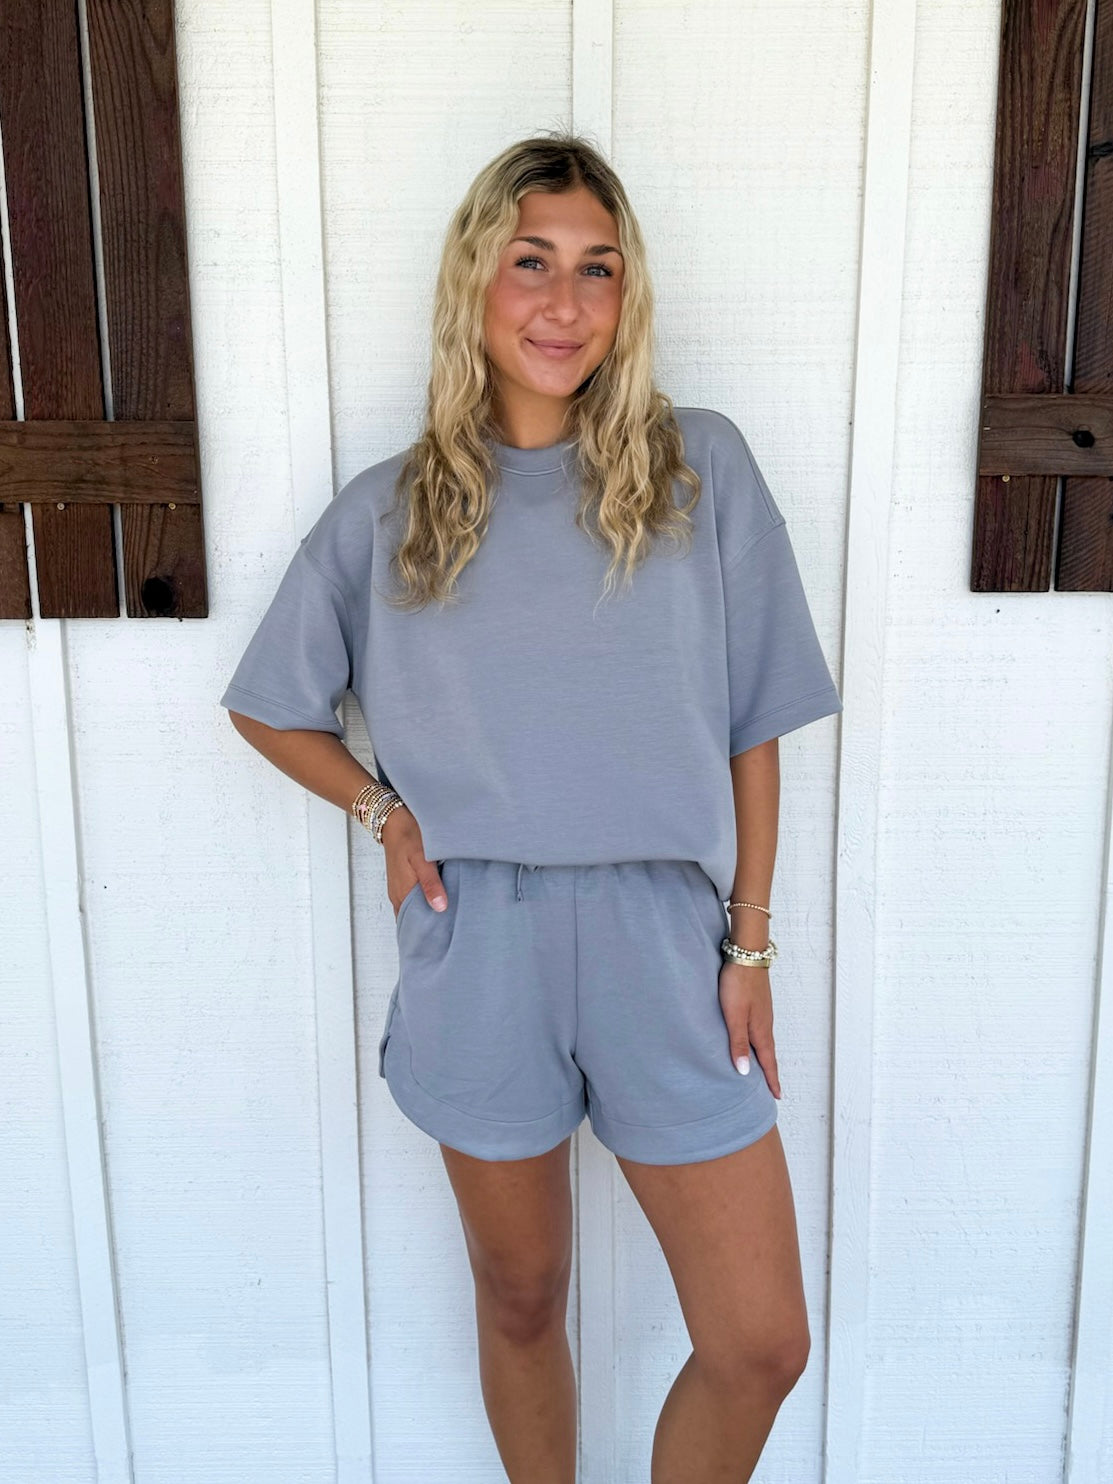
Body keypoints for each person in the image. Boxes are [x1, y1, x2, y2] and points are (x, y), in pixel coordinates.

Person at [220, 132, 842, 1484]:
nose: (564, 304)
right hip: (479, 940)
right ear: (475, 283)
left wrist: (748, 943)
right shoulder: (391, 513)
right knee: (520, 1298)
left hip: (663, 944)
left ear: (628, 294)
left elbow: (756, 725)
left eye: (596, 269)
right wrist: (383, 812)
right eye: (531, 263)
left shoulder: (700, 472)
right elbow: (268, 706)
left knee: (758, 1341)